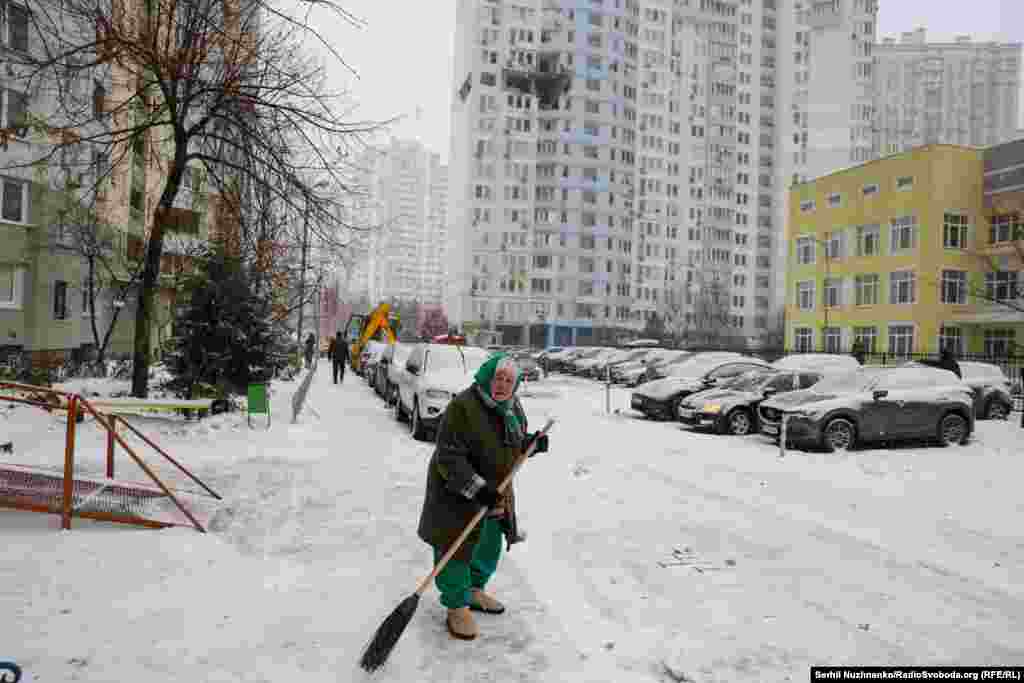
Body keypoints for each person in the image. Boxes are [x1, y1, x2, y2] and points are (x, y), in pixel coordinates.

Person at [417, 353, 550, 641]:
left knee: (488, 544)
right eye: (497, 378)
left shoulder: (512, 406)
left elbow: (511, 443)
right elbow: (449, 457)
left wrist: (531, 444)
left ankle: (474, 590)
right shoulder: (463, 406)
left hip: (495, 493)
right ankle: (456, 604)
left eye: (508, 380)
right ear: (487, 378)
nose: (502, 385)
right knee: (456, 548)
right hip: (457, 492)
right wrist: (478, 489)